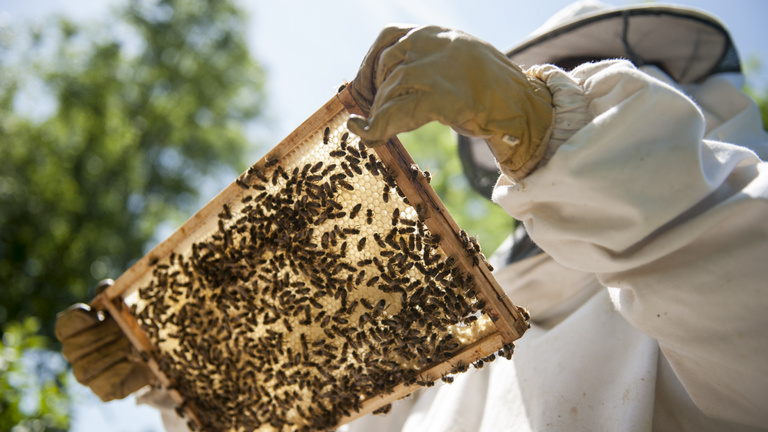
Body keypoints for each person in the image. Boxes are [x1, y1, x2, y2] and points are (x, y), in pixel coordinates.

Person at [56, 1, 768, 431]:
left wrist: (537, 115)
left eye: (588, 80)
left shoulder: (720, 270)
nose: (563, 90)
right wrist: (180, 379)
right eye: (544, 82)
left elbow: (736, 284)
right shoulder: (444, 364)